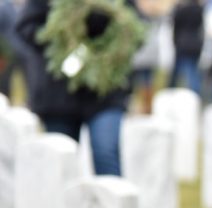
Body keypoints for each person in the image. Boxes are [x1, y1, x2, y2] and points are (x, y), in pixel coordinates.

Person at [15, 0, 137, 175]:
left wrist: (108, 46)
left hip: (105, 92)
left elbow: (134, 24)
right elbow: (26, 27)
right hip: (58, 94)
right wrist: (62, 39)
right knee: (62, 165)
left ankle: (106, 202)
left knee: (106, 153)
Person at [170, 0, 205, 95]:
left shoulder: (183, 9)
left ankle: (194, 94)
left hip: (183, 44)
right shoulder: (199, 9)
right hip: (195, 44)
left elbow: (175, 22)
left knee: (188, 73)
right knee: (191, 70)